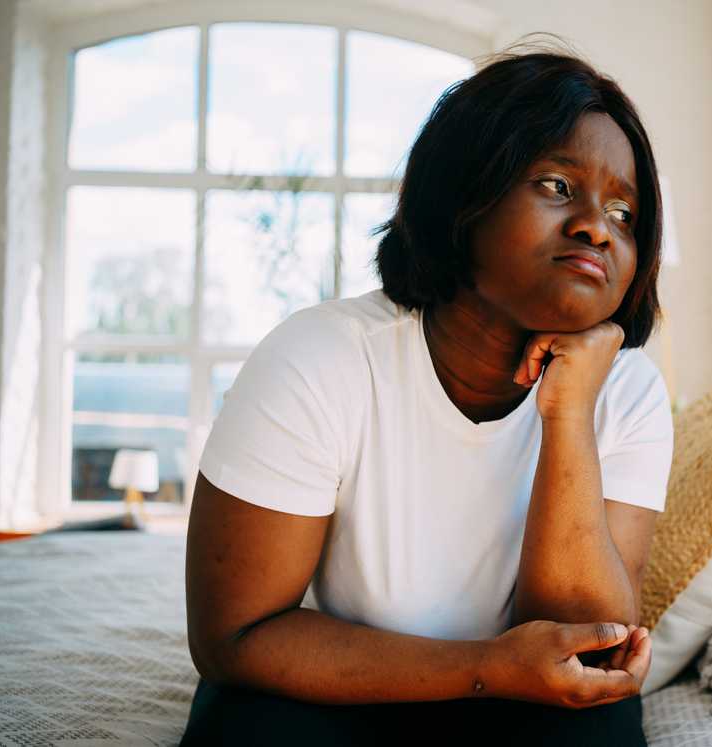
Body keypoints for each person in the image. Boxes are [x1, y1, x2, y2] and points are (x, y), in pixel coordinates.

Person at [182, 38, 674, 746]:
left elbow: (586, 642)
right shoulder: (320, 358)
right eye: (558, 186)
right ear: (463, 195)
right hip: (345, 685)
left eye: (625, 216)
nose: (597, 226)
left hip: (530, 703)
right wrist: (484, 667)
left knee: (599, 726)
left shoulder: (627, 392)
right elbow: (234, 636)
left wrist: (568, 414)